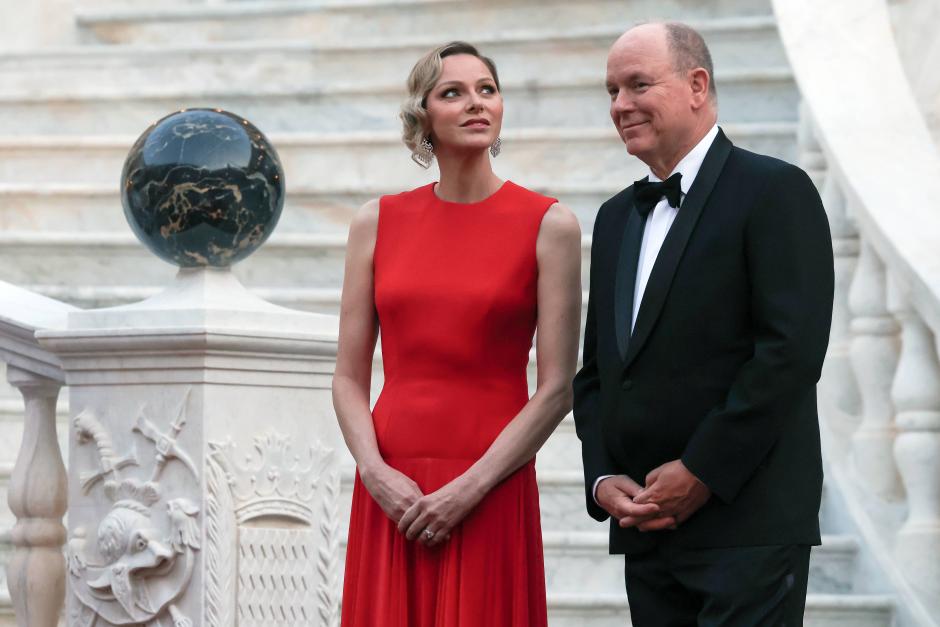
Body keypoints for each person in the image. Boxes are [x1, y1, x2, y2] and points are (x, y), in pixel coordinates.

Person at [573, 22, 834, 626]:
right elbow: (600, 371)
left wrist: (701, 473)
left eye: (638, 84)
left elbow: (790, 353)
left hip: (749, 525)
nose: (620, 105)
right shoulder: (615, 218)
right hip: (646, 532)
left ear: (697, 85)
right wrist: (603, 475)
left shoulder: (776, 190)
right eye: (611, 91)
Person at [333, 41, 582, 627]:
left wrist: (471, 488)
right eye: (454, 92)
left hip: (490, 480)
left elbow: (557, 389)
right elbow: (347, 376)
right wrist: (374, 472)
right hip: (392, 484)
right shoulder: (376, 222)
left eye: (487, 90)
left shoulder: (550, 225)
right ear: (423, 118)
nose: (476, 103)